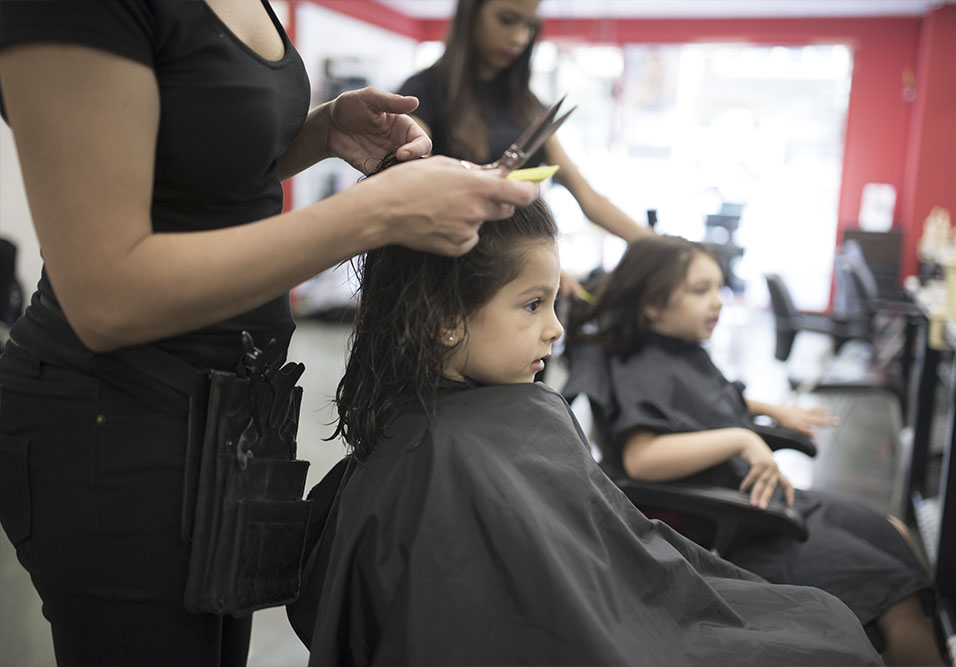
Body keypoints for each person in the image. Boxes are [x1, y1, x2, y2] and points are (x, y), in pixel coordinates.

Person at [0, 1, 539, 665]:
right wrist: (375, 213)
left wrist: (320, 132)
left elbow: (197, 172)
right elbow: (105, 296)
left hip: (231, 419)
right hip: (116, 422)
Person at [286, 192, 882, 666]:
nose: (555, 329)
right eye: (531, 305)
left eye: (554, 304)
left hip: (622, 616)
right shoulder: (443, 456)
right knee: (824, 634)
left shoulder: (520, 415)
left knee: (823, 621)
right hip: (611, 636)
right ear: (445, 320)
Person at [563, 234, 944, 667]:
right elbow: (642, 458)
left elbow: (707, 399)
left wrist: (770, 410)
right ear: (651, 304)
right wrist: (743, 438)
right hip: (743, 529)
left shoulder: (679, 349)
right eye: (699, 290)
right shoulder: (642, 366)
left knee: (893, 530)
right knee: (900, 599)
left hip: (768, 504)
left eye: (718, 287)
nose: (718, 301)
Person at [397, 0, 653, 295]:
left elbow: (587, 196)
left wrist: (655, 245)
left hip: (516, 282)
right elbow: (412, 185)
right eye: (507, 20)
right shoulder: (421, 94)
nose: (520, 38)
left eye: (529, 26)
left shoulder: (529, 109)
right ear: (471, 15)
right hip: (445, 283)